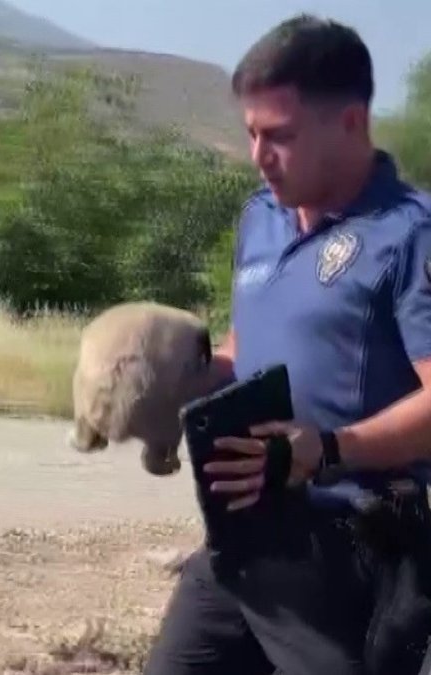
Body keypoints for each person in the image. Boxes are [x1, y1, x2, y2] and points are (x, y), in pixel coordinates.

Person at [143, 14, 431, 675]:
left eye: (280, 136)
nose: (258, 155)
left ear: (353, 123)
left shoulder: (410, 234)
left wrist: (328, 448)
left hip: (352, 546)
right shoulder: (260, 218)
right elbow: (253, 339)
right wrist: (174, 382)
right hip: (243, 531)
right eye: (251, 134)